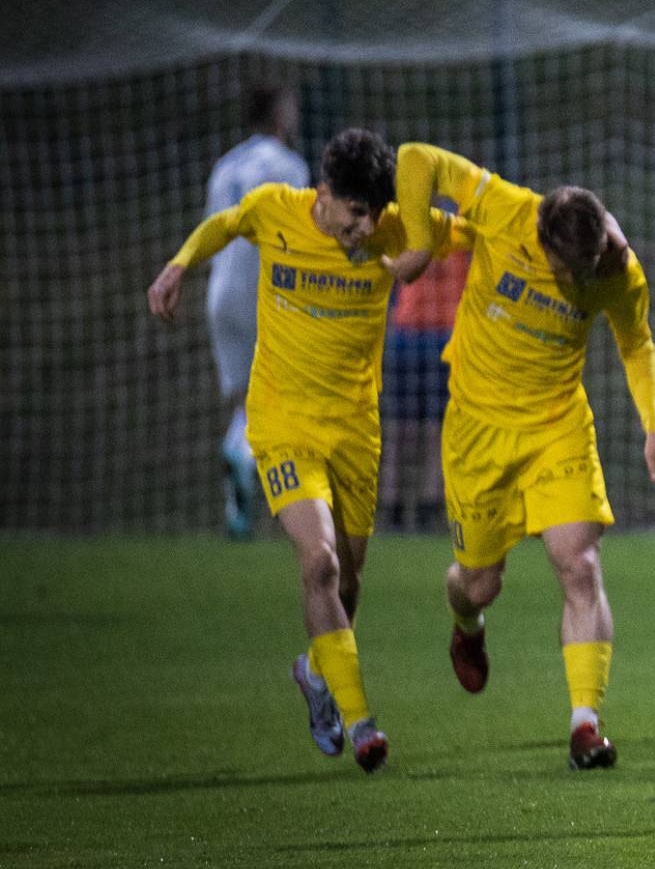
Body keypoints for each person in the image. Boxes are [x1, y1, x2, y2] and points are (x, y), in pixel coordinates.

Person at [148, 128, 466, 774]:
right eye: (356, 213)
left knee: (348, 580)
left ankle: (316, 673)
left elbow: (477, 229)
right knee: (318, 562)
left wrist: (540, 226)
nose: (365, 227)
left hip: (354, 430)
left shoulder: (393, 228)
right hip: (283, 423)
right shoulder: (276, 209)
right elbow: (225, 224)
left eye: (375, 215)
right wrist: (179, 264)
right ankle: (360, 721)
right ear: (323, 193)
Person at [386, 141, 655, 771]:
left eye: (585, 266)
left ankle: (585, 724)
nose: (576, 279)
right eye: (565, 267)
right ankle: (467, 626)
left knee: (579, 565)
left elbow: (637, 346)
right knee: (479, 583)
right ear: (542, 238)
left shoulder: (615, 269)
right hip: (478, 431)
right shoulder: (504, 209)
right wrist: (415, 245)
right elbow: (415, 158)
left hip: (556, 428)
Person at [203, 83, 310, 538]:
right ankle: (251, 461)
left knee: (247, 400)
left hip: (219, 291)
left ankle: (237, 511)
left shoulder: (225, 165)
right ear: (279, 115)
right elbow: (297, 238)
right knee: (279, 397)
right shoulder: (288, 166)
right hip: (263, 291)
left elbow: (212, 229)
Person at [379, 248, 469, 532]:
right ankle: (391, 506)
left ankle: (429, 507)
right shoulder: (408, 232)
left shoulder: (464, 233)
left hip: (449, 334)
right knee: (399, 429)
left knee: (437, 429)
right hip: (408, 332)